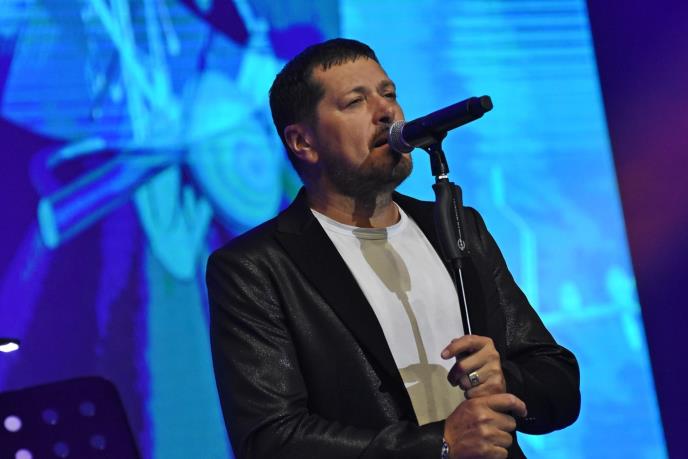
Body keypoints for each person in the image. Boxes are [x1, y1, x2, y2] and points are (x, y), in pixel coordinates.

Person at [207, 38, 580, 459]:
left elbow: (559, 384)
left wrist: (507, 380)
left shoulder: (457, 226)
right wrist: (439, 445)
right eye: (355, 102)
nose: (387, 111)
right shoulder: (257, 267)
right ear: (302, 143)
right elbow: (272, 439)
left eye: (389, 93)